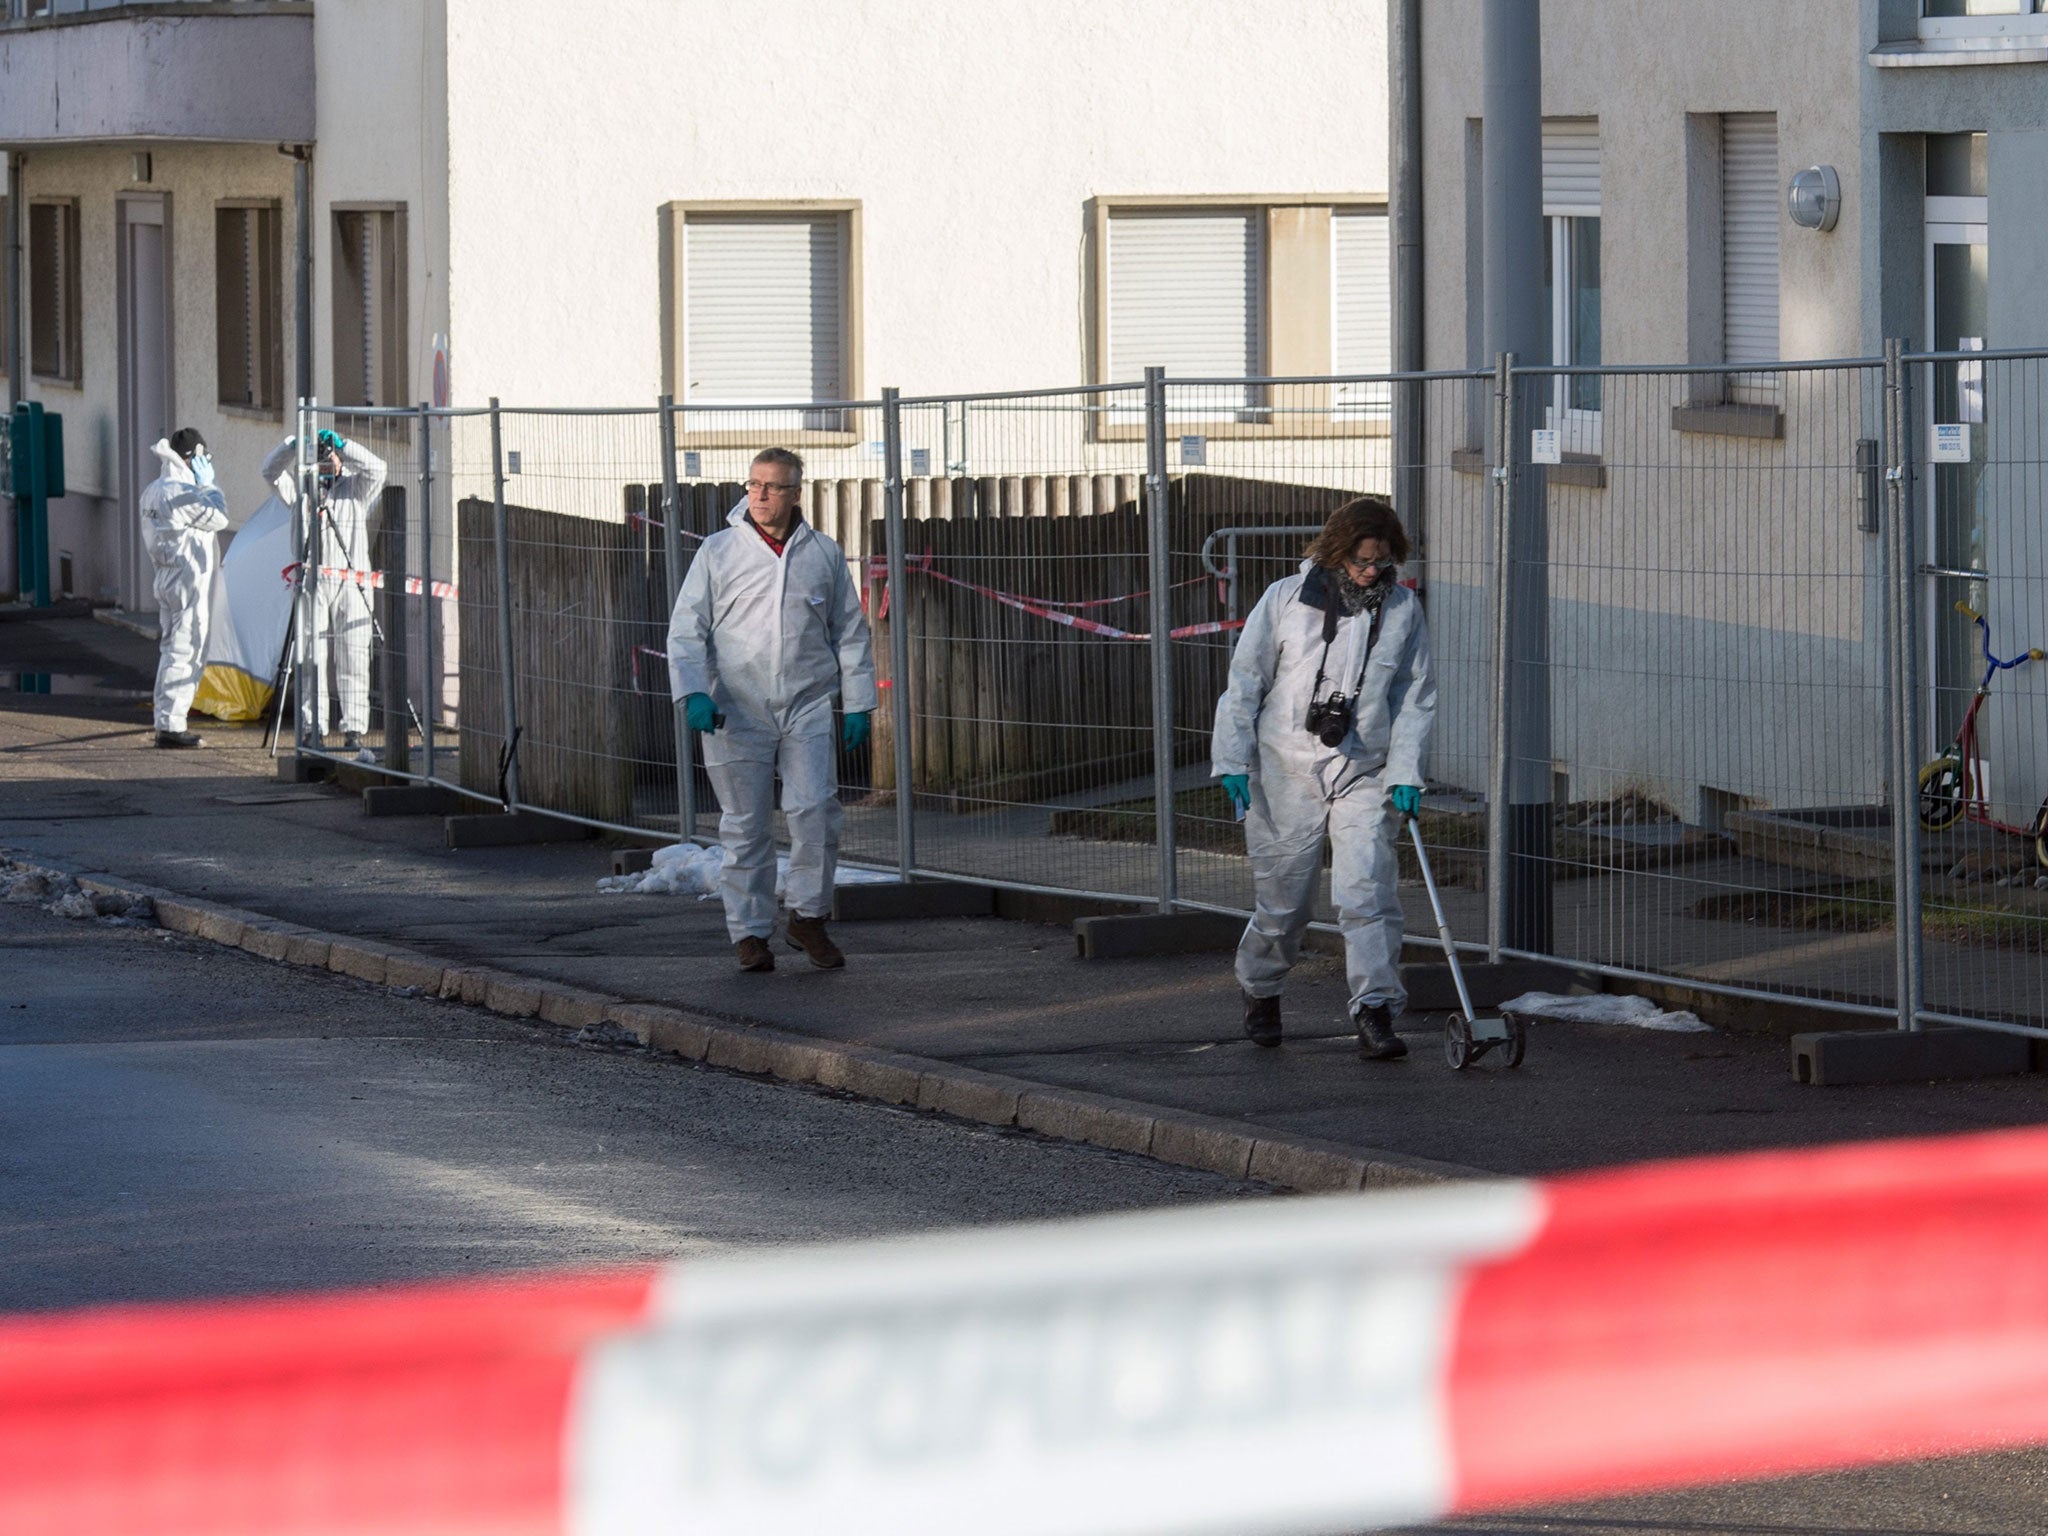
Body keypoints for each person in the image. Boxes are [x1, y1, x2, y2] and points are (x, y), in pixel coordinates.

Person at [1211, 496, 1436, 1060]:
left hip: (1363, 767)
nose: (1370, 572)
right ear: (1336, 552)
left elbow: (1415, 699)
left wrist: (1406, 772)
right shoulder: (1286, 599)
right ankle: (1261, 988)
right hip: (1284, 766)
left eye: (1380, 562)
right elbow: (1244, 682)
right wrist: (1232, 760)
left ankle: (1376, 1010)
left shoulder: (1402, 611)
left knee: (1368, 891)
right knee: (1285, 903)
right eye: (1361, 561)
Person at [667, 448, 876, 972]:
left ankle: (808, 917)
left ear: (796, 493)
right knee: (746, 824)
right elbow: (687, 628)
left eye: (773, 486)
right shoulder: (718, 552)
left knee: (816, 813)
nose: (759, 495)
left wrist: (857, 704)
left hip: (805, 704)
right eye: (754, 484)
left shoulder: (822, 554)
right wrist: (693, 691)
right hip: (734, 707)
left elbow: (849, 632)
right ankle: (750, 932)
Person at [263, 428, 388, 750]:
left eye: (329, 457)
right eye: (319, 459)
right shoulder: (301, 493)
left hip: (351, 579)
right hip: (313, 580)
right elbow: (270, 471)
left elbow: (379, 468)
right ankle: (313, 726)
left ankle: (354, 728)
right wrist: (291, 446)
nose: (325, 464)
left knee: (355, 653)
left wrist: (346, 446)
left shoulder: (356, 490)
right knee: (310, 654)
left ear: (339, 459)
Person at [138, 429, 230, 748]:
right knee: (184, 650)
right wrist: (208, 485)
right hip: (187, 580)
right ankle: (171, 725)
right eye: (203, 458)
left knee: (171, 650)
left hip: (166, 576)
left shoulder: (153, 490)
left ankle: (168, 719)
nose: (206, 463)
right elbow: (217, 518)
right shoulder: (183, 491)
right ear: (191, 458)